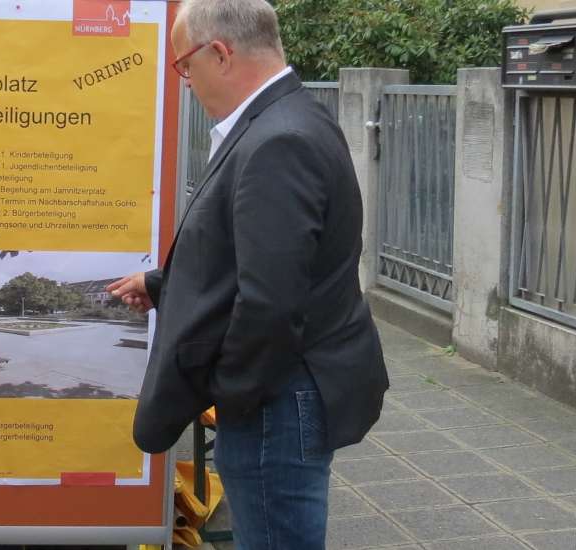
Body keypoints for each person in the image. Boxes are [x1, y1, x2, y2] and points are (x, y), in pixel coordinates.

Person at [107, 0, 388, 546]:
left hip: (275, 403)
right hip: (284, 389)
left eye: (184, 65)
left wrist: (231, 396)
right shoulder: (290, 116)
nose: (184, 82)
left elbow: (271, 303)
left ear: (220, 53)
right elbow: (257, 261)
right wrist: (162, 286)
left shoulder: (278, 140)